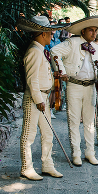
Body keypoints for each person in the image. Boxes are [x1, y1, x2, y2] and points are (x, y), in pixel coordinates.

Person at [51, 15, 98, 166]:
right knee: (73, 120)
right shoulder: (72, 42)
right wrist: (62, 71)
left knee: (89, 121)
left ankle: (90, 152)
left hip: (91, 87)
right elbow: (54, 52)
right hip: (74, 85)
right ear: (83, 31)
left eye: (95, 31)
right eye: (91, 30)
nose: (94, 33)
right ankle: (76, 153)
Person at [18, 15, 70, 180]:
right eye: (49, 32)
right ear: (42, 34)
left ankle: (47, 164)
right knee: (29, 134)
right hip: (35, 98)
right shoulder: (34, 51)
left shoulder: (40, 51)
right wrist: (39, 100)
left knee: (48, 133)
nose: (52, 35)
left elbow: (39, 74)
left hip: (42, 98)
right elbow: (32, 79)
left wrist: (54, 75)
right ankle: (27, 167)